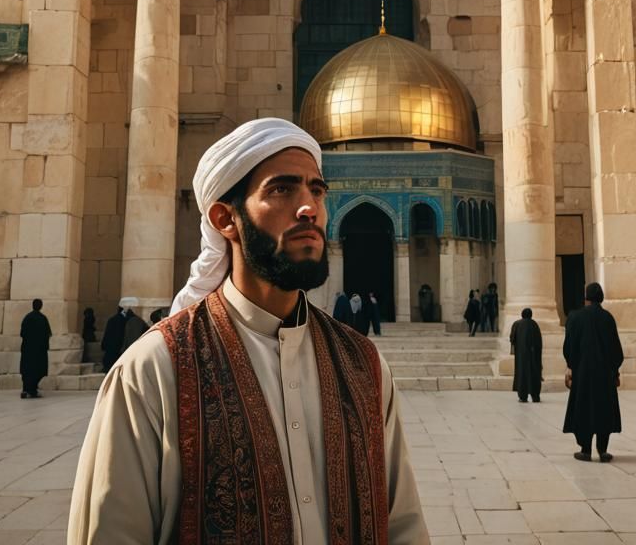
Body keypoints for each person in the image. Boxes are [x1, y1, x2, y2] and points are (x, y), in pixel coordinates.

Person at [68, 117, 427, 544]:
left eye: (317, 189)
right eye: (282, 189)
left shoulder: (364, 367)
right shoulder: (156, 371)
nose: (309, 206)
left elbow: (403, 525)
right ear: (224, 218)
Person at [563, 282, 624, 462]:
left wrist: (570, 366)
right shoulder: (608, 318)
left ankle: (586, 450)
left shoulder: (575, 317)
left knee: (584, 409)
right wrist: (615, 372)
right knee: (603, 409)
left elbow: (569, 347)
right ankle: (603, 450)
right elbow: (616, 350)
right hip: (605, 375)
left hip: (583, 374)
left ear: (586, 297)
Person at [19, 298, 52, 399]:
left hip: (28, 349)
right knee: (37, 370)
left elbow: (22, 333)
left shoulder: (27, 318)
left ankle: (26, 389)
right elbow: (48, 334)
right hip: (39, 350)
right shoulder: (43, 319)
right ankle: (32, 389)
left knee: (27, 370)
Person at [510, 307, 542, 402]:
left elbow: (512, 339)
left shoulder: (517, 324)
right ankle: (535, 396)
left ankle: (523, 397)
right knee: (534, 373)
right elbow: (539, 342)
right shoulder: (535, 324)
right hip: (534, 356)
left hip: (521, 356)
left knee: (522, 374)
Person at [100, 303, 126, 372]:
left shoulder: (112, 319)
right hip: (117, 349)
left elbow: (107, 334)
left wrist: (104, 345)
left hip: (111, 349)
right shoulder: (124, 320)